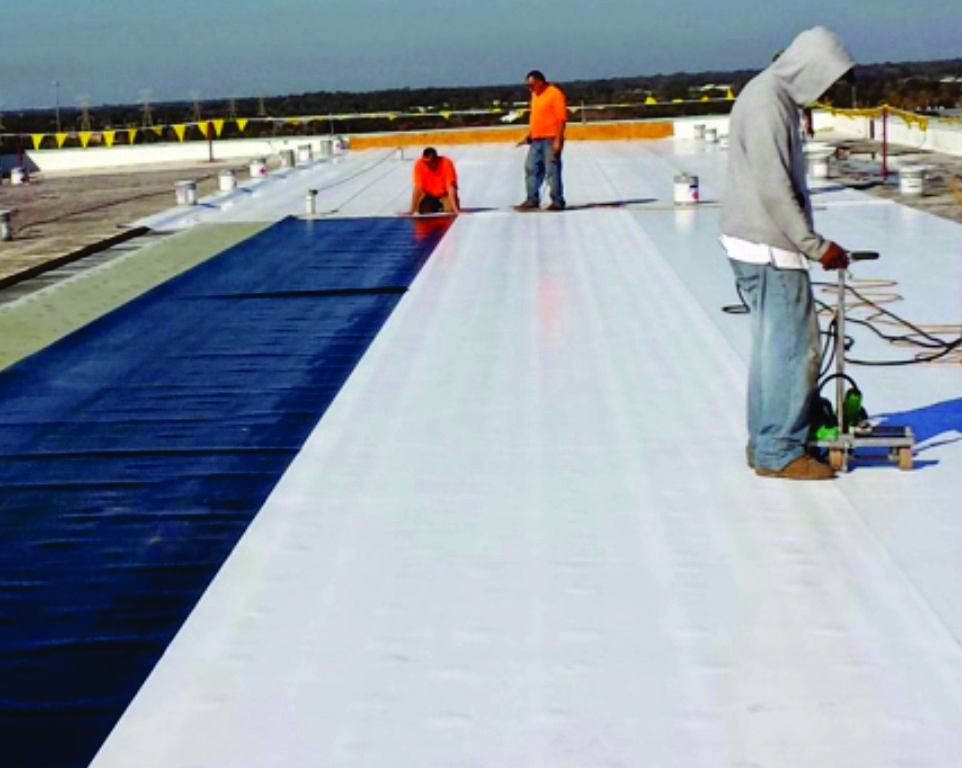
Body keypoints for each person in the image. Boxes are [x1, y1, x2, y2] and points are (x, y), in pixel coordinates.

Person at [720, 27, 854, 480]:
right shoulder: (767, 105)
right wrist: (817, 247)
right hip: (770, 248)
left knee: (770, 350)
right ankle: (780, 451)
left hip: (757, 244)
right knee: (794, 351)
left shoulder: (769, 95)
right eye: (829, 80)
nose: (827, 91)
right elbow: (775, 191)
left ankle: (765, 442)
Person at [516, 70, 567, 211]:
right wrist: (529, 135)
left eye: (532, 85)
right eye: (528, 85)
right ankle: (531, 199)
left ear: (541, 82)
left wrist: (558, 140)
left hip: (551, 139)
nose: (530, 88)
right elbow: (535, 117)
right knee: (531, 169)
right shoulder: (534, 95)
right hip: (536, 139)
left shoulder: (555, 94)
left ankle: (557, 202)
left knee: (552, 171)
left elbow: (561, 119)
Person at [410, 147, 459, 215]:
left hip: (445, 193)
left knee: (450, 211)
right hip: (429, 194)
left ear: (436, 160)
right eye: (425, 162)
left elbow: (451, 187)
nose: (427, 165)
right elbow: (417, 188)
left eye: (430, 162)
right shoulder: (419, 164)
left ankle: (445, 205)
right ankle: (435, 205)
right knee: (425, 211)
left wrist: (455, 209)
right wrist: (412, 210)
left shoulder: (446, 163)